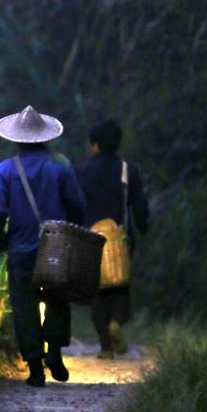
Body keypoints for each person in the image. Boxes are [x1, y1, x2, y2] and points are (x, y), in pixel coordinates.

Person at [0, 105, 85, 387]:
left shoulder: (3, 171)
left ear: (15, 139)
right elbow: (77, 205)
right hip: (56, 247)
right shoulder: (61, 165)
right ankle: (53, 351)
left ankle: (35, 367)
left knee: (24, 305)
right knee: (57, 299)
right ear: (46, 138)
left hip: (20, 250)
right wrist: (73, 233)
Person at [76, 119, 149, 359]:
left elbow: (74, 205)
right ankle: (117, 321)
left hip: (90, 238)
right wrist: (143, 226)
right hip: (121, 237)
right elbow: (138, 204)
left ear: (95, 145)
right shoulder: (128, 169)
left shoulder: (82, 171)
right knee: (121, 286)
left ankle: (105, 347)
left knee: (97, 292)